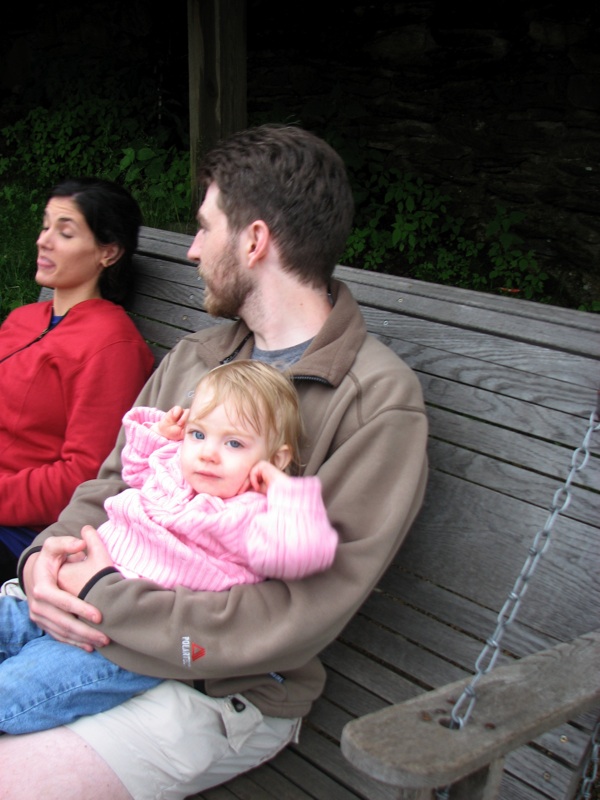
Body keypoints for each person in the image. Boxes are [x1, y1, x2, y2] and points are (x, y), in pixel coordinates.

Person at [2, 125, 429, 800]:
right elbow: (110, 483)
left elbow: (297, 612)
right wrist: (42, 561)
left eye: (204, 228)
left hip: (225, 685)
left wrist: (95, 596)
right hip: (86, 612)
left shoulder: (375, 402)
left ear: (254, 241)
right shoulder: (197, 359)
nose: (193, 249)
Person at [0, 360, 337, 734]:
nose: (208, 453)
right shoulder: (175, 470)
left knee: (14, 691)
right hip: (65, 600)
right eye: (198, 434)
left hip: (123, 648)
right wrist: (162, 434)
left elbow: (304, 554)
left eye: (234, 443)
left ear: (274, 459)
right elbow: (134, 470)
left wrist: (285, 495)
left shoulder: (252, 516)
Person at [0, 177, 155, 582]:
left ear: (108, 252)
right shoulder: (22, 320)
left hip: (26, 535)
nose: (44, 241)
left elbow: (84, 475)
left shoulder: (112, 345)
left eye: (65, 232)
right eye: (45, 226)